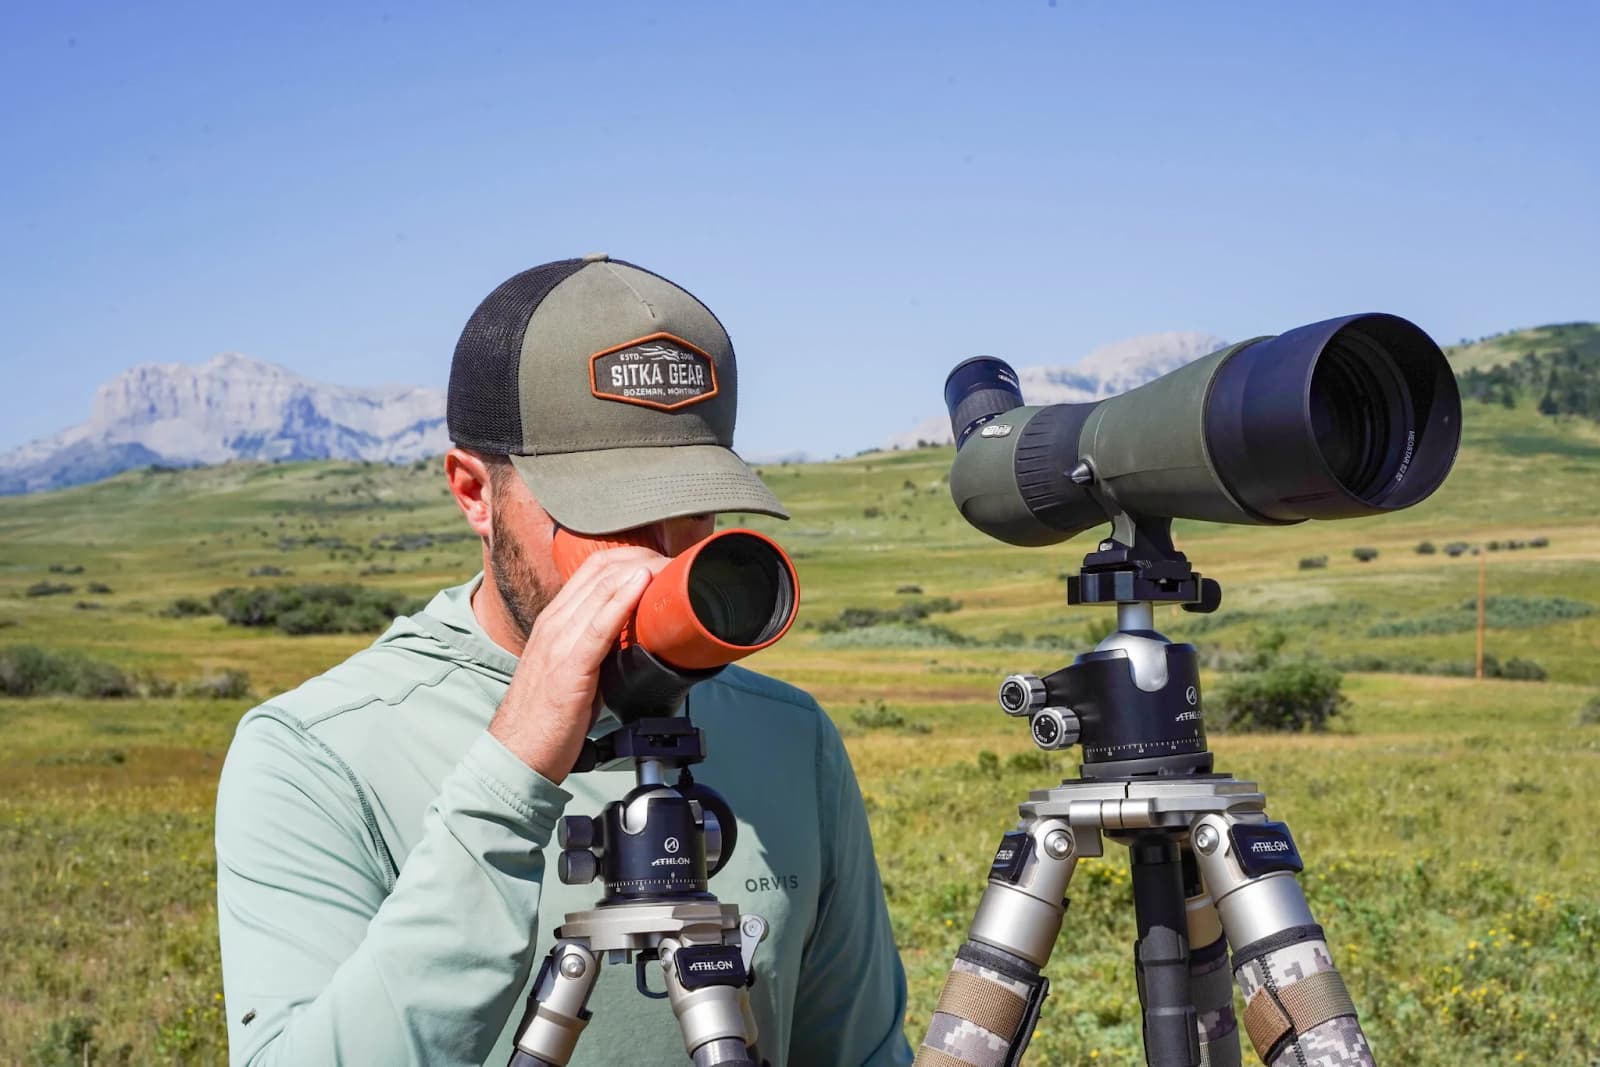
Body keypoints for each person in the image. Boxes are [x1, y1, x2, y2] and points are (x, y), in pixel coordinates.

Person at [214, 255, 913, 1066]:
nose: (660, 555)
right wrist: (511, 772)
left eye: (692, 507)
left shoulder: (792, 739)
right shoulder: (315, 754)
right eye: (607, 512)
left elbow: (858, 1052)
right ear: (474, 491)